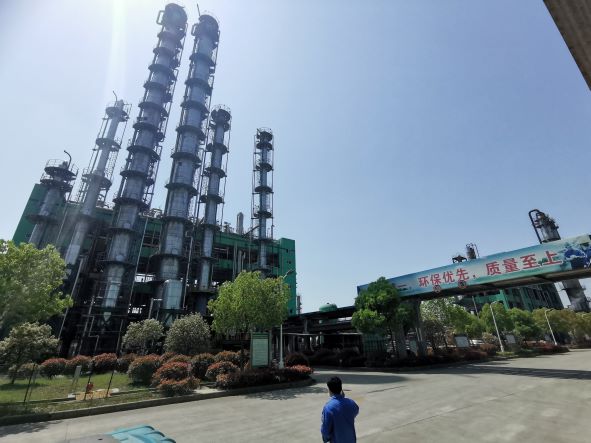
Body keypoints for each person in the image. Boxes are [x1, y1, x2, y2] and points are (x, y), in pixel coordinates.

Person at [321, 376, 359, 443]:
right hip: (351, 440)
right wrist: (342, 398)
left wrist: (326, 439)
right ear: (341, 388)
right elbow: (356, 411)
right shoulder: (351, 402)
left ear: (329, 390)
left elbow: (325, 431)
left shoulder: (328, 407)